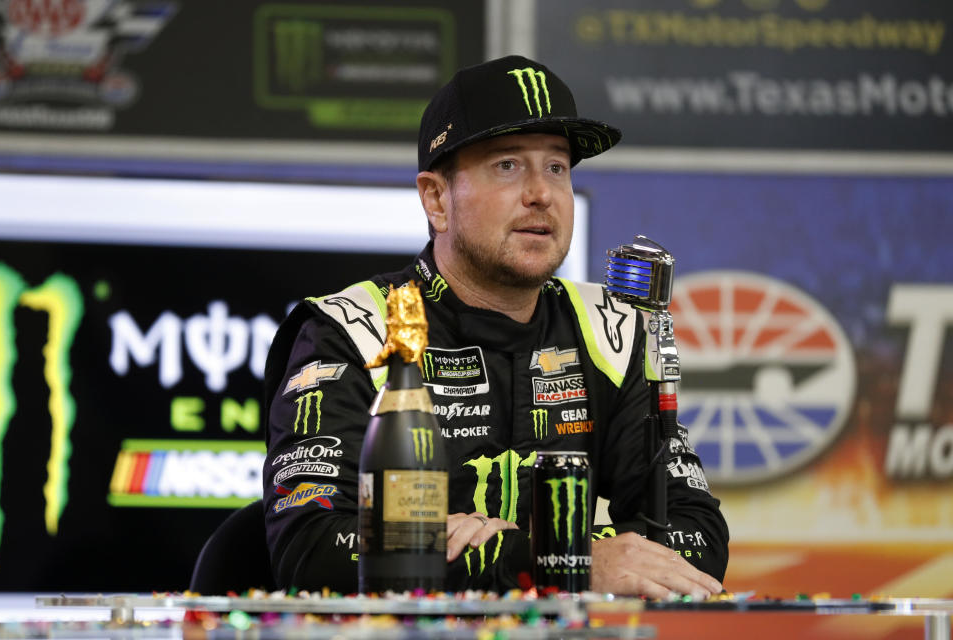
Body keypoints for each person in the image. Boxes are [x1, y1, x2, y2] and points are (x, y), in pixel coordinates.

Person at [262, 55, 728, 598]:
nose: (542, 193)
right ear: (437, 198)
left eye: (557, 167)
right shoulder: (352, 330)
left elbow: (695, 536)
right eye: (507, 165)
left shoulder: (612, 333)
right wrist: (555, 557)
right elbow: (313, 548)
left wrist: (508, 550)